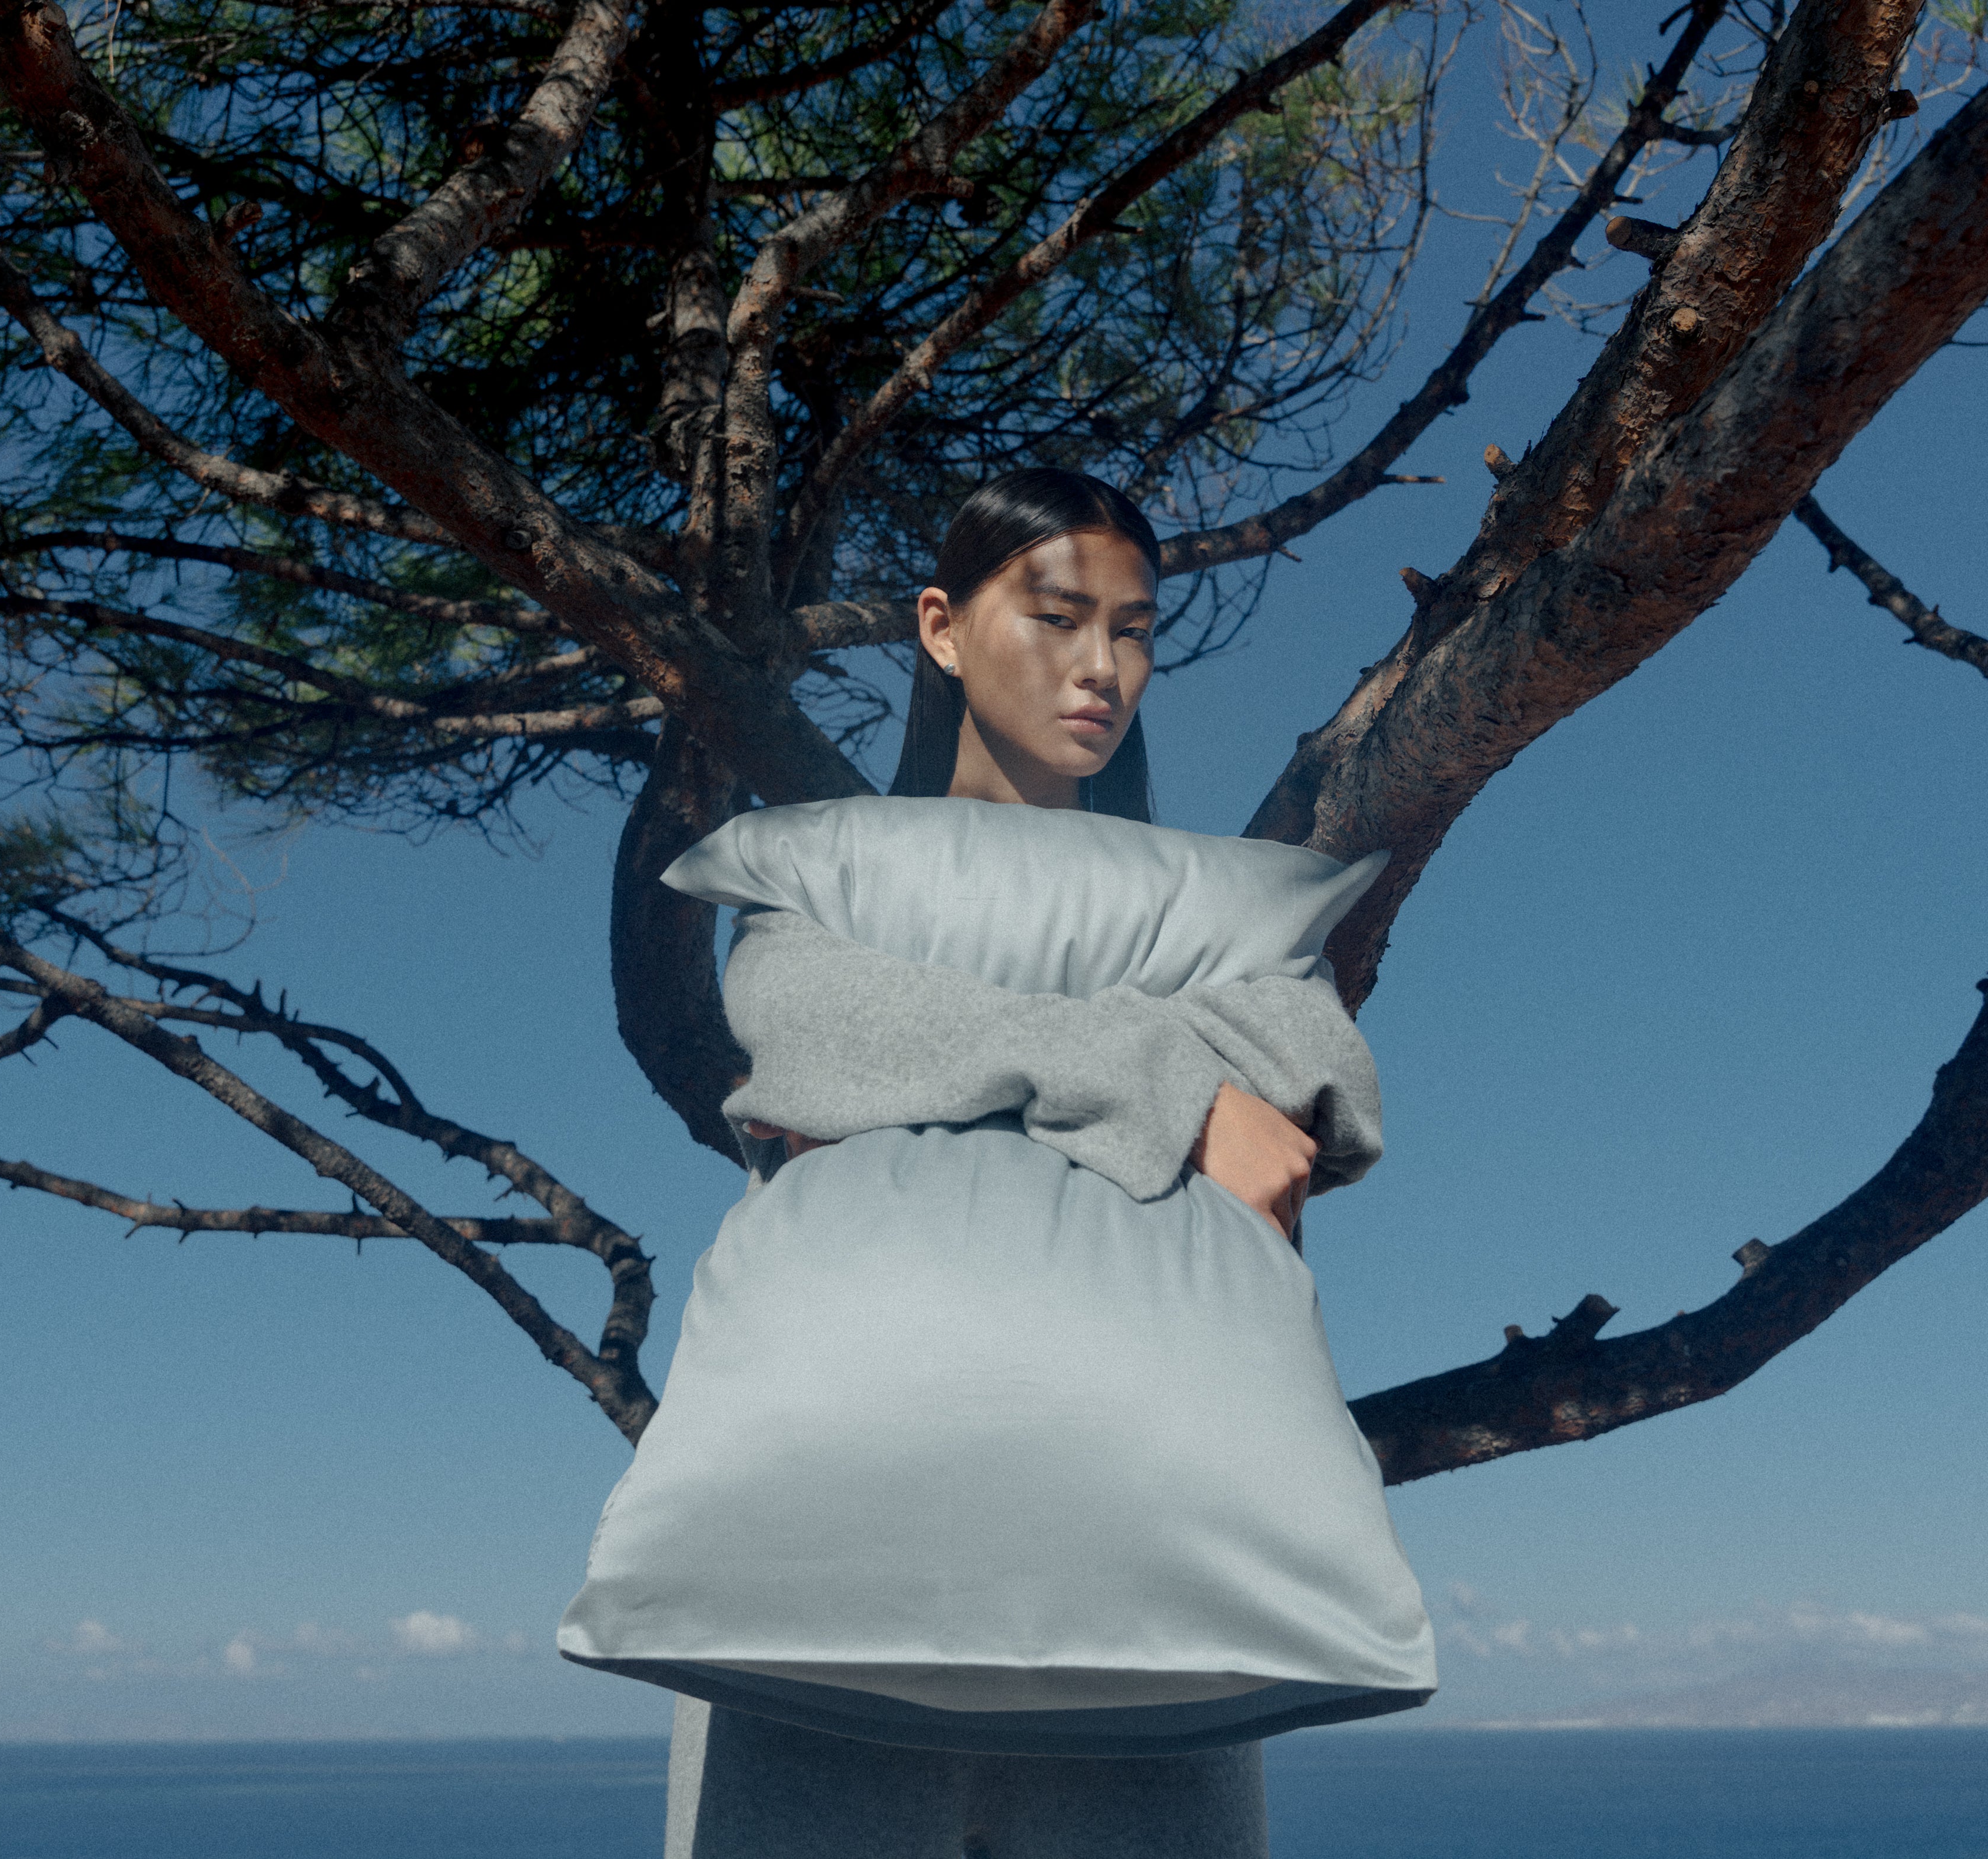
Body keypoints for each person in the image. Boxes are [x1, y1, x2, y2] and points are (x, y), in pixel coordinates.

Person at [559, 469, 1434, 1855]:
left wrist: (974, 1070)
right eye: (1058, 614)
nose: (1102, 666)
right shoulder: (828, 879)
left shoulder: (1229, 922)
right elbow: (809, 1041)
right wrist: (1164, 1076)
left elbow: (1309, 1104)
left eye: (1134, 630)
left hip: (1156, 1578)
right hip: (827, 1592)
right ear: (942, 625)